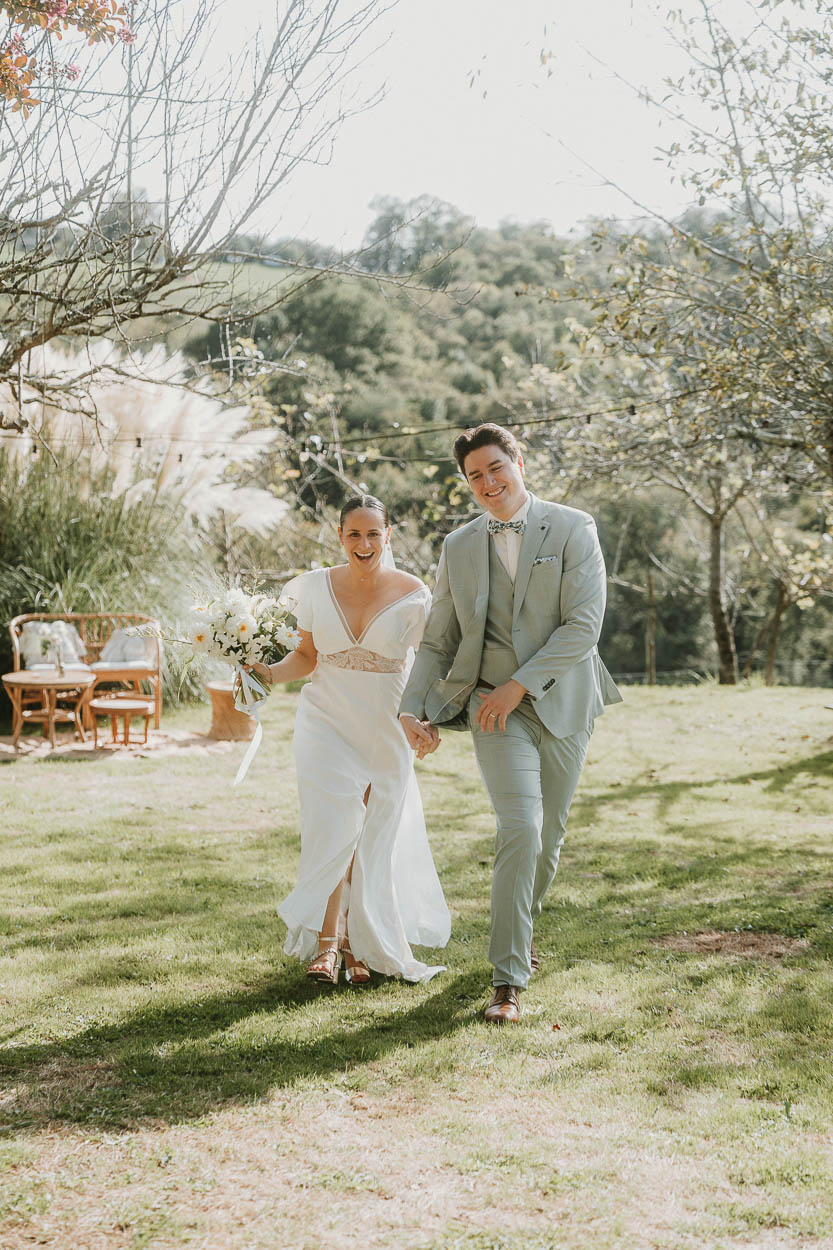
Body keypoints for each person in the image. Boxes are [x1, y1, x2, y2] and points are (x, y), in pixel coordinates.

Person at [399, 424, 622, 1023]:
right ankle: (507, 980)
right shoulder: (459, 546)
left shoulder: (574, 527)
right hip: (491, 708)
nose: (488, 483)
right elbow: (438, 638)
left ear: (519, 462)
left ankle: (521, 929)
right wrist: (409, 707)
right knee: (520, 826)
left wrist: (521, 683)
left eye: (497, 468)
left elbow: (584, 625)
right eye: (475, 476)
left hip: (564, 700)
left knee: (548, 840)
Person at [250, 494, 451, 986]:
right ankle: (326, 943)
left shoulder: (414, 594)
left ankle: (359, 943)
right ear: (339, 536)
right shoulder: (314, 588)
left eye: (373, 534)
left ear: (388, 535)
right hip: (325, 720)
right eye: (354, 534)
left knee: (368, 833)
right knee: (333, 825)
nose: (364, 543)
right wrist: (266, 675)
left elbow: (428, 667)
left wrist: (429, 720)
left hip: (386, 721)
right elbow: (306, 656)